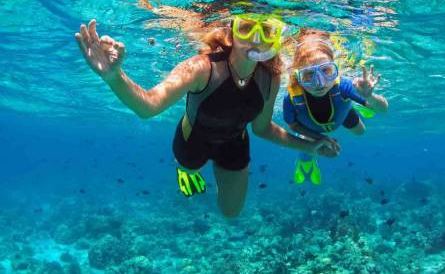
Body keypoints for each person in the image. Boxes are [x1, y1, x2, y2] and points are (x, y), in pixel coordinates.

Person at [74, 15, 339, 218]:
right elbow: (149, 106)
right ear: (232, 33)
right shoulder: (201, 68)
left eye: (266, 31)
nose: (256, 39)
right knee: (190, 167)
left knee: (231, 213)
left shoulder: (271, 76)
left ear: (274, 38)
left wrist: (310, 145)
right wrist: (113, 76)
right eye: (247, 28)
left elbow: (262, 129)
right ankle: (185, 170)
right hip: (193, 140)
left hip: (236, 143)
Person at [283, 29, 388, 185]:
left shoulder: (343, 86)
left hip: (342, 113)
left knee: (361, 132)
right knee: (307, 147)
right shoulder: (291, 98)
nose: (320, 82)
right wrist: (322, 139)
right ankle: (306, 164)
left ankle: (360, 103)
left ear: (335, 69)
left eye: (326, 71)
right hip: (310, 129)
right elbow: (292, 125)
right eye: (308, 75)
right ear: (298, 77)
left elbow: (383, 109)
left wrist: (369, 96)